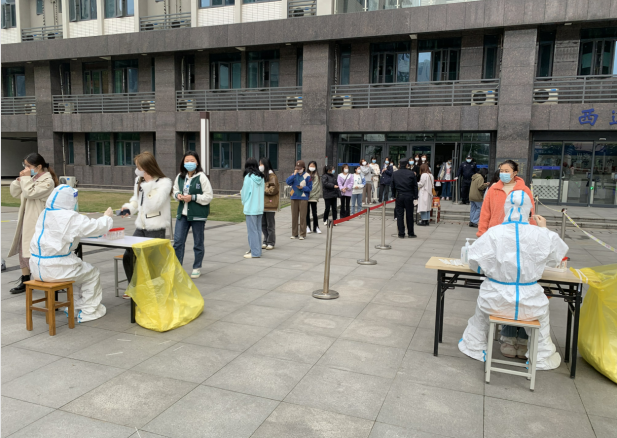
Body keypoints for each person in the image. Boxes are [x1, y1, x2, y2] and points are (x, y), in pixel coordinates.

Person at [458, 191, 567, 370]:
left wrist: (489, 271)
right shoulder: (540, 234)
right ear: (529, 210)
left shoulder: (494, 233)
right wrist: (544, 229)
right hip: (529, 303)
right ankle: (540, 356)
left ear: (506, 208)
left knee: (481, 313)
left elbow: (474, 259)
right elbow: (557, 257)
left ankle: (475, 346)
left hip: (495, 301)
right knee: (542, 317)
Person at [477, 160, 537, 358]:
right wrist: (482, 236)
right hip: (496, 241)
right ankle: (508, 336)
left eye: (507, 170)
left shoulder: (524, 190)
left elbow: (531, 215)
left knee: (520, 289)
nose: (503, 173)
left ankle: (523, 338)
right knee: (503, 289)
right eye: (501, 170)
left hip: (519, 244)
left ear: (515, 172)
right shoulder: (493, 189)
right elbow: (485, 213)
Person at [29, 185, 113, 322]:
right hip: (56, 268)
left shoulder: (44, 213)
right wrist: (107, 217)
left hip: (36, 267)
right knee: (92, 273)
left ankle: (74, 307)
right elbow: (96, 228)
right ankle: (88, 310)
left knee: (80, 271)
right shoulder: (69, 217)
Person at [121, 152, 172, 299]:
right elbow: (136, 199)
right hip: (141, 227)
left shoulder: (164, 183)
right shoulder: (139, 180)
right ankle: (133, 287)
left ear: (148, 167)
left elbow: (155, 204)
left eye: (139, 167)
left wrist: (148, 184)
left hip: (156, 228)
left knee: (152, 262)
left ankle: (154, 292)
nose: (137, 171)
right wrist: (128, 208)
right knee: (128, 256)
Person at [8, 153, 58, 294]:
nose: (26, 168)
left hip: (38, 221)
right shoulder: (30, 179)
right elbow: (14, 192)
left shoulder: (48, 181)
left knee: (37, 251)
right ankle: (25, 279)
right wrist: (19, 180)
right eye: (25, 165)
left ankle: (46, 279)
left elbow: (30, 193)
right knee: (23, 249)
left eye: (28, 166)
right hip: (26, 219)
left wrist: (25, 180)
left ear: (39, 166)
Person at [172, 151, 214, 279]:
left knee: (198, 242)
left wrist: (193, 197)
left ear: (197, 162)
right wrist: (178, 195)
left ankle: (197, 267)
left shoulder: (201, 177)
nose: (189, 163)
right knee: (178, 241)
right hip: (182, 214)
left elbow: (208, 196)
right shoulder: (180, 177)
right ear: (183, 162)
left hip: (197, 215)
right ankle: (177, 267)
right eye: (187, 161)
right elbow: (174, 190)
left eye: (192, 161)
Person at [241, 158, 265, 259]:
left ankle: (255, 252)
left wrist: (243, 201)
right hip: (259, 207)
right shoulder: (261, 177)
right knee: (258, 230)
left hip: (251, 207)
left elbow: (245, 193)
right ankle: (257, 250)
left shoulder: (248, 177)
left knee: (252, 231)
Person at [286, 160, 313, 240]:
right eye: (297, 168)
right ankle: (294, 234)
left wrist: (303, 188)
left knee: (302, 216)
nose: (298, 169)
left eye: (299, 168)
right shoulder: (293, 175)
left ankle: (302, 234)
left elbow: (310, 188)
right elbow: (288, 182)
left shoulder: (307, 176)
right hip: (294, 197)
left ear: (303, 168)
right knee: (294, 216)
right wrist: (294, 174)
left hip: (303, 198)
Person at [391, 159, 418, 238]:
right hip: (409, 196)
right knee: (409, 215)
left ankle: (401, 233)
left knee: (400, 215)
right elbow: (415, 186)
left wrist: (394, 195)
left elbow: (392, 186)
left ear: (399, 165)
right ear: (407, 165)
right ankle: (410, 233)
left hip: (400, 195)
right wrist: (415, 196)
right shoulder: (411, 173)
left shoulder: (395, 174)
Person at [260, 158, 278, 250]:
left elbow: (273, 189)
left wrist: (263, 189)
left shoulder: (272, 176)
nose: (260, 166)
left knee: (270, 224)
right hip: (262, 204)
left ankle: (271, 242)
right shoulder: (262, 176)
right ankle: (265, 240)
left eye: (261, 164)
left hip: (270, 204)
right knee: (263, 224)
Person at [305, 161, 322, 234]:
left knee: (314, 213)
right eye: (310, 165)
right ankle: (307, 226)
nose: (311, 167)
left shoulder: (316, 175)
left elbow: (315, 187)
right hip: (306, 196)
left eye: (313, 166)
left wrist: (310, 194)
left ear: (315, 167)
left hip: (313, 196)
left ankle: (316, 227)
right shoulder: (306, 174)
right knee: (307, 213)